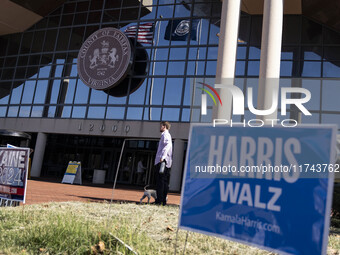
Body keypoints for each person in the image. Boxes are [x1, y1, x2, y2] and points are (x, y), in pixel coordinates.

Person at [154, 121, 173, 205]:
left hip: (162, 161)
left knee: (160, 181)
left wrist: (162, 157)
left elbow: (167, 145)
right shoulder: (167, 135)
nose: (160, 127)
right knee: (164, 182)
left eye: (161, 126)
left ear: (164, 126)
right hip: (166, 162)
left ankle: (159, 201)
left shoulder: (165, 135)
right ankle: (163, 201)